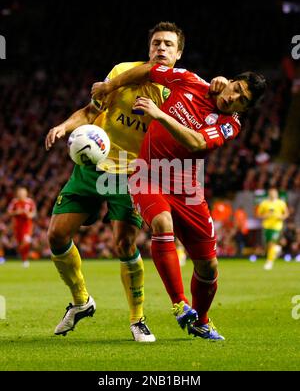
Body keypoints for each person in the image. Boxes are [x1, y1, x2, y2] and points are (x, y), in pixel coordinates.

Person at [45, 21, 211, 341]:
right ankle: (81, 301)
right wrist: (64, 127)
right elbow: (91, 110)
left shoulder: (177, 93)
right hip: (93, 166)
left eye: (168, 45)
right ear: (149, 48)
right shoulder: (121, 71)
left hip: (133, 173)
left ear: (178, 54)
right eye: (156, 43)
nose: (161, 48)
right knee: (56, 235)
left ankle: (137, 319)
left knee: (124, 243)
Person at [92, 62, 266, 340]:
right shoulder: (190, 81)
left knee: (209, 266)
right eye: (236, 89)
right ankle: (180, 303)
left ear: (244, 110)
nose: (233, 98)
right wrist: (110, 85)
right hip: (147, 174)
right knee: (162, 223)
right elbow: (150, 69)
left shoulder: (229, 125)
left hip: (187, 187)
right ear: (231, 81)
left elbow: (196, 143)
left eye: (242, 101)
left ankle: (202, 320)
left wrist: (158, 114)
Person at [256, 188, 289, 270]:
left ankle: (269, 262)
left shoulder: (281, 203)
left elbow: (286, 213)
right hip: (267, 226)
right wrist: (265, 216)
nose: (273, 194)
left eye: (274, 193)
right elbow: (258, 215)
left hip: (277, 226)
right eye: (271, 193)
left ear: (277, 194)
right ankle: (277, 249)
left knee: (271, 243)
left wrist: (281, 217)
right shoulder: (264, 203)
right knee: (268, 245)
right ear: (269, 194)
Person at [8, 187, 37, 268]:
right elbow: (9, 212)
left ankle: (25, 259)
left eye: (23, 193)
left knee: (26, 241)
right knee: (19, 243)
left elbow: (34, 213)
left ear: (26, 193)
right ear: (17, 194)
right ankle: (24, 259)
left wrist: (29, 215)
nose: (21, 195)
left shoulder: (30, 202)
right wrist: (16, 212)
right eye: (20, 193)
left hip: (27, 226)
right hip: (17, 226)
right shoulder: (14, 202)